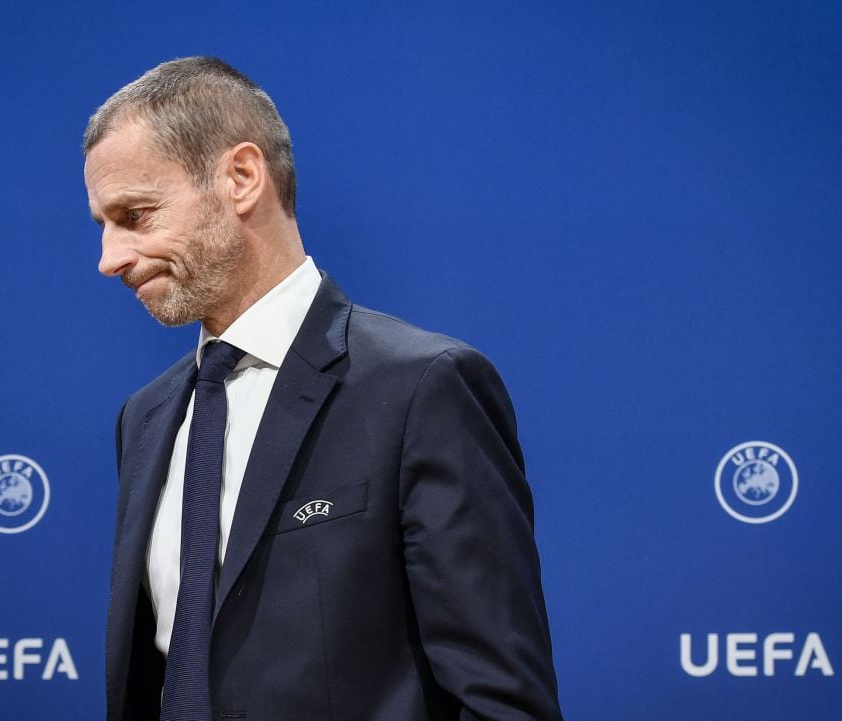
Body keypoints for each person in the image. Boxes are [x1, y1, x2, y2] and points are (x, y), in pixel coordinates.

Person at [83, 57, 563, 721]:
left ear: (242, 178)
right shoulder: (145, 417)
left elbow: (502, 701)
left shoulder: (422, 388)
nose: (110, 259)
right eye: (102, 225)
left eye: (135, 214)